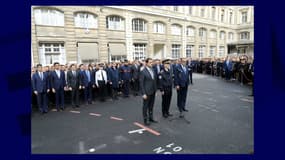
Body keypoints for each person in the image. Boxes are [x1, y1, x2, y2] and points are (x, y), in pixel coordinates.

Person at [139, 58, 157, 126]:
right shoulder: (143, 71)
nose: (151, 63)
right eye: (150, 62)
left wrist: (155, 90)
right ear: (146, 63)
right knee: (145, 106)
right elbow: (141, 83)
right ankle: (145, 119)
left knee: (151, 106)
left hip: (153, 91)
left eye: (152, 62)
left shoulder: (153, 70)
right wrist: (143, 93)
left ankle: (151, 117)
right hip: (146, 92)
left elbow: (154, 81)